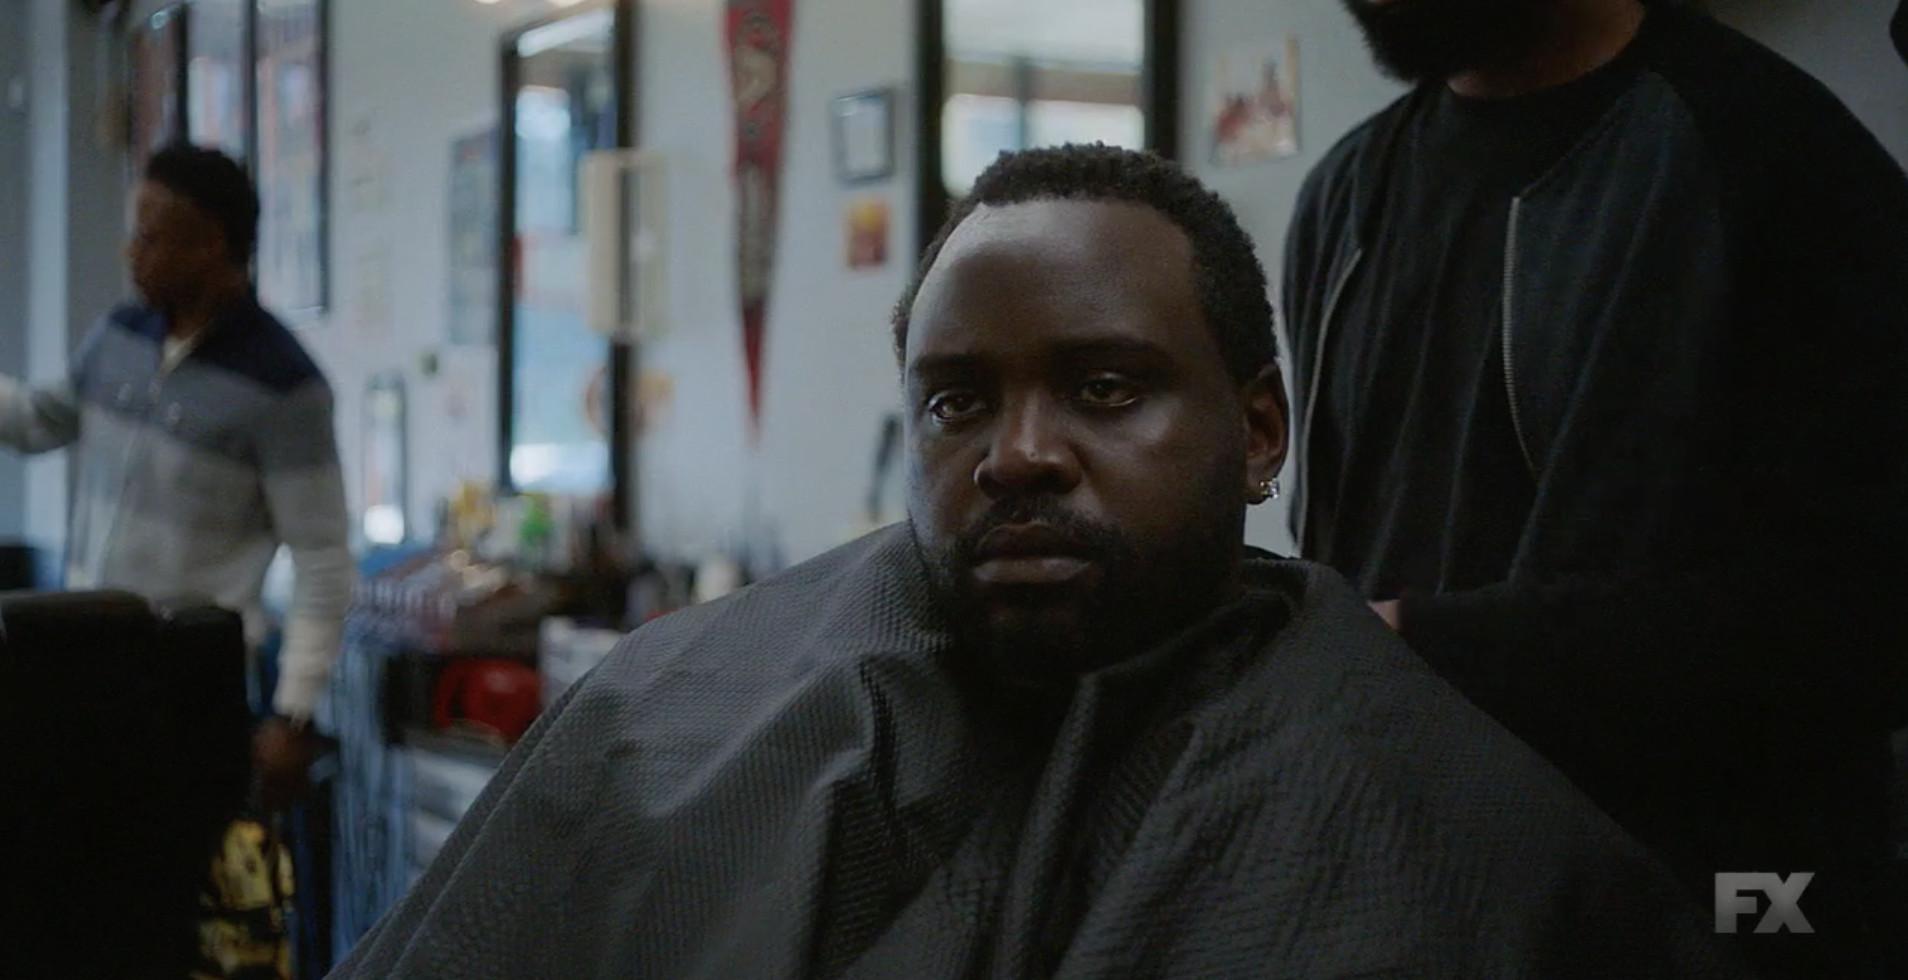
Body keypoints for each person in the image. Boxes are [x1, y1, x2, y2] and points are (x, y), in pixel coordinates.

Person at [334, 146, 1739, 978]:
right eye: (957, 401)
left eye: (1106, 388)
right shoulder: (677, 717)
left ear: (1260, 431)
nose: (1016, 454)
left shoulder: (1434, 819)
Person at [1284, 1, 1908, 975]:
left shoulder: (1778, 160)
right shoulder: (1345, 193)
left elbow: (1859, 623)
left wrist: (1428, 647)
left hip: (1713, 913)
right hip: (1414, 906)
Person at [0, 144, 352, 804]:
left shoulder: (284, 386)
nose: (131, 252)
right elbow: (37, 420)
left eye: (150, 237)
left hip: (187, 683)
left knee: (169, 863)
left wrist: (294, 713)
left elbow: (323, 561)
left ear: (210, 244)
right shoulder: (119, 335)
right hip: (78, 663)